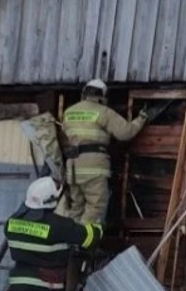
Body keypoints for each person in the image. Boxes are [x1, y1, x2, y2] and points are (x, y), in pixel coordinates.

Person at [60, 78, 148, 224]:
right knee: (95, 208)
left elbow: (66, 135)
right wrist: (142, 118)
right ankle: (85, 245)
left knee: (76, 208)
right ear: (102, 96)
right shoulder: (103, 112)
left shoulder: (69, 112)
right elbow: (125, 133)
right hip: (93, 168)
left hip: (73, 168)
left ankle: (70, 243)